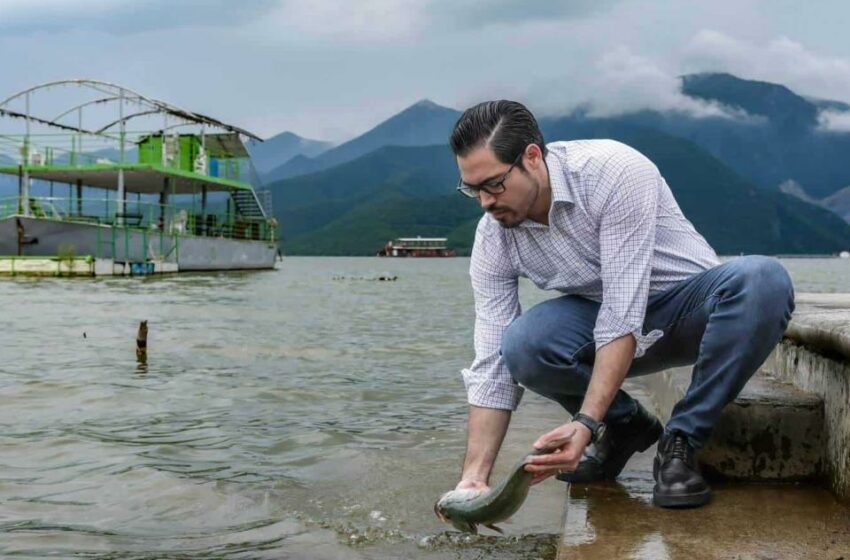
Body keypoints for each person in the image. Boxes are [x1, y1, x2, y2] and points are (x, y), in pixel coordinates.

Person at [444, 100, 794, 509]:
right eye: (472, 189)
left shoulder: (614, 171)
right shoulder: (494, 238)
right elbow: (492, 363)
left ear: (533, 157)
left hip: (691, 310)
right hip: (606, 324)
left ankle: (680, 441)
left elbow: (621, 315)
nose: (484, 202)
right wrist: (472, 480)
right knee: (520, 344)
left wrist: (584, 424)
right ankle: (626, 425)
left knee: (763, 280)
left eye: (494, 184)